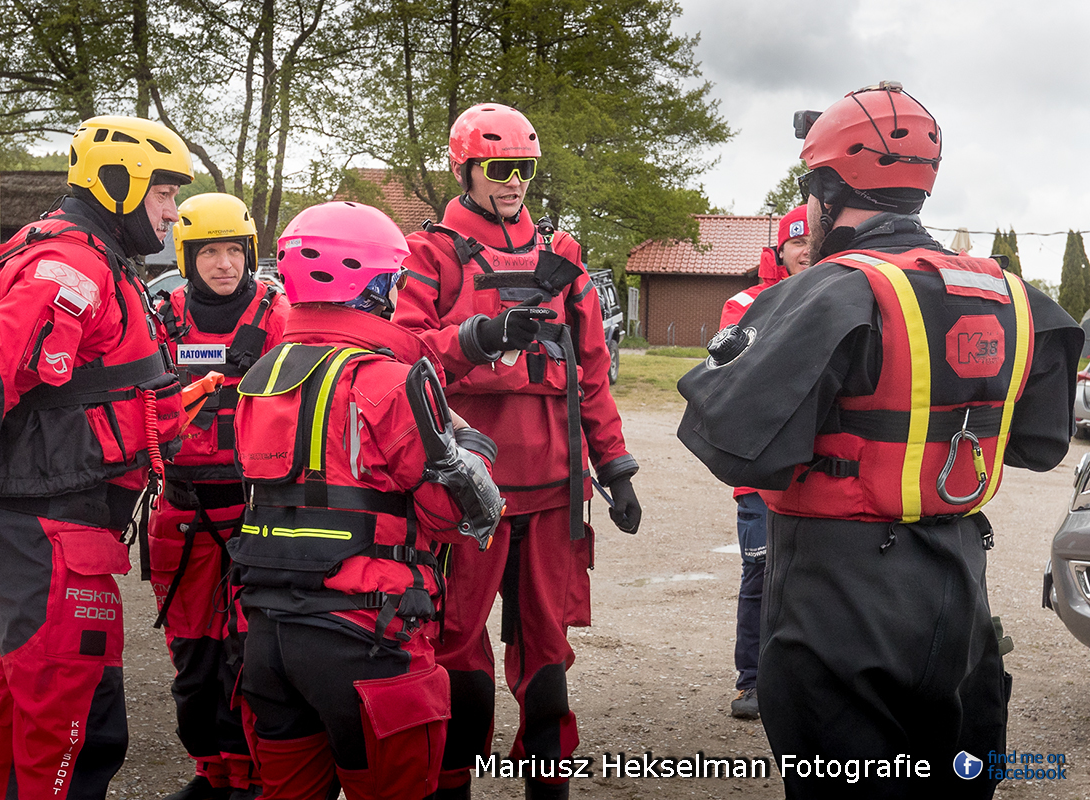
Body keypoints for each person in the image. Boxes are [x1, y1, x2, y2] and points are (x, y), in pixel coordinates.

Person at [677, 81, 1082, 799]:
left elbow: (730, 439)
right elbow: (1040, 445)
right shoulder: (1019, 297)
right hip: (960, 591)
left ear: (826, 192)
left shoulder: (830, 289)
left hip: (840, 599)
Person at [0, 116, 192, 799]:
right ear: (118, 187)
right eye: (164, 194)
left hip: (34, 529)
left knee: (18, 710)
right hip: (45, 535)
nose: (174, 212)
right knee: (72, 729)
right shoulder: (73, 270)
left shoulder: (83, 255)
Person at [395, 102, 641, 800]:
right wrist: (478, 336)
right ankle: (449, 783)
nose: (513, 183)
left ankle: (547, 787)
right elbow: (402, 355)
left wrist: (615, 466)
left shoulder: (562, 258)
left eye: (524, 170)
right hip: (467, 496)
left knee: (547, 660)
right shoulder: (432, 253)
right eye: (499, 169)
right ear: (464, 168)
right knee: (455, 650)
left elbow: (591, 371)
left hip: (555, 491)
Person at [229, 200, 504, 800]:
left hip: (268, 635)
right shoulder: (387, 380)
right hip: (367, 640)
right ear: (372, 283)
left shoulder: (264, 375)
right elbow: (460, 513)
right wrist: (474, 448)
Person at [149, 193, 292, 800]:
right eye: (210, 251)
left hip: (253, 506)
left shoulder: (278, 315)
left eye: (234, 250)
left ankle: (248, 776)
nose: (225, 264)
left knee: (248, 654)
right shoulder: (160, 316)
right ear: (187, 256)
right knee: (193, 657)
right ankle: (209, 772)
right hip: (181, 509)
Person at [717, 204, 810, 721]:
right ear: (780, 248)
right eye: (797, 242)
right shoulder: (745, 304)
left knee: (818, 578)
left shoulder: (845, 290)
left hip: (820, 472)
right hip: (760, 473)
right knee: (761, 572)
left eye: (813, 240)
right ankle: (752, 682)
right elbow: (740, 379)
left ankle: (807, 683)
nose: (806, 251)